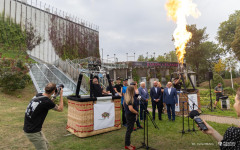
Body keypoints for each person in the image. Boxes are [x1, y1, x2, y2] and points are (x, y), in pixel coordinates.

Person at [23, 83, 64, 150]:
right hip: (33, 131)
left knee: (46, 145)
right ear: (53, 91)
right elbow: (60, 109)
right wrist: (61, 95)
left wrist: (54, 96)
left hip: (32, 128)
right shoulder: (46, 101)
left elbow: (46, 103)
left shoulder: (38, 95)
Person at [124, 86, 138, 150]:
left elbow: (124, 106)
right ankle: (127, 145)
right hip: (130, 116)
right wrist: (136, 112)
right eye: (134, 90)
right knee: (129, 130)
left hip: (129, 115)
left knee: (130, 129)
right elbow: (131, 109)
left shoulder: (127, 97)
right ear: (132, 91)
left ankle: (128, 143)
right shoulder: (129, 99)